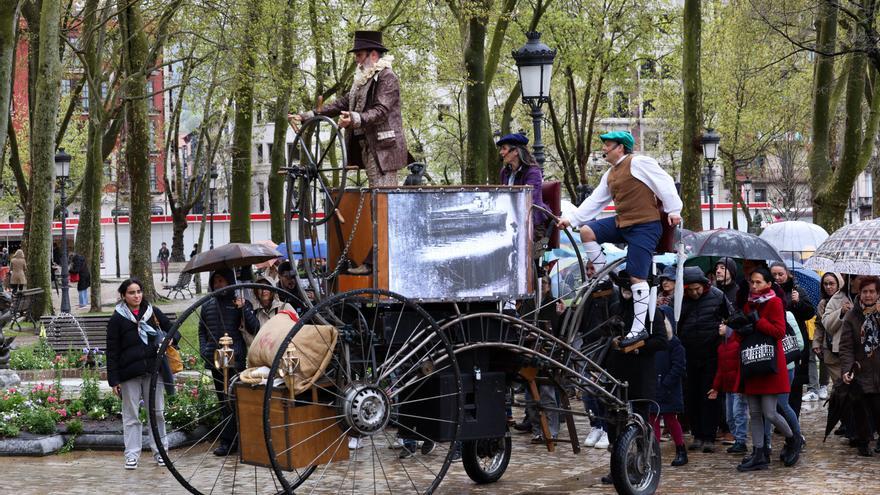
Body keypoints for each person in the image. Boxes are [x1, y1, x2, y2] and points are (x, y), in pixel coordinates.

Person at [291, 31, 409, 275]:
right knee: (377, 203)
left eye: (359, 54)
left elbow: (381, 111)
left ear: (373, 55)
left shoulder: (387, 77)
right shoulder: (363, 80)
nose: (356, 59)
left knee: (382, 205)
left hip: (384, 151)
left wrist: (354, 119)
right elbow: (342, 103)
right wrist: (309, 115)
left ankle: (377, 262)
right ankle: (375, 260)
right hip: (368, 149)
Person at [557, 130, 682, 347]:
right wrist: (572, 219)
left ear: (620, 147)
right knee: (587, 232)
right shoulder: (610, 174)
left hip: (645, 226)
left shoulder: (639, 162)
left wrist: (673, 210)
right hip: (622, 224)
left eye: (607, 145)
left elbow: (665, 182)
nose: (603, 149)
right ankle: (604, 278)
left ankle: (639, 329)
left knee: (636, 277)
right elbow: (596, 200)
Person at [728, 267, 802, 471]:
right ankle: (759, 453)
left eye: (758, 282)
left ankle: (793, 439)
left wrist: (757, 321)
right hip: (752, 362)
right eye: (752, 282)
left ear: (769, 284)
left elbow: (779, 332)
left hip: (769, 363)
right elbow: (741, 337)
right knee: (754, 412)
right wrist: (739, 327)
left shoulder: (775, 302)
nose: (754, 286)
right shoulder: (749, 304)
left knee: (770, 412)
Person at [600, 270, 668, 485]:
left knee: (641, 419)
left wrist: (638, 348)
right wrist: (613, 342)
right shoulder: (616, 308)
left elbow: (661, 341)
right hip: (617, 371)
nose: (626, 291)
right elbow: (606, 336)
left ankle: (641, 463)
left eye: (629, 287)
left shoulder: (651, 312)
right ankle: (617, 467)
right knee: (614, 420)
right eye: (623, 287)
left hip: (640, 372)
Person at [106, 278, 173, 469]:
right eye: (131, 293)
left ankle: (161, 452)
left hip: (153, 371)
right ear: (123, 296)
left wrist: (170, 339)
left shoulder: (153, 312)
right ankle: (132, 455)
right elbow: (112, 351)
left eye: (139, 291)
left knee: (157, 413)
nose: (136, 296)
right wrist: (114, 380)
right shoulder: (117, 319)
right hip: (129, 374)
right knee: (131, 415)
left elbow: (173, 329)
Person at [199, 268, 260, 456]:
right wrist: (204, 349)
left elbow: (254, 327)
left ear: (229, 281)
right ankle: (228, 441)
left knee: (235, 400)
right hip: (215, 359)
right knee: (223, 400)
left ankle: (238, 440)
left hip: (235, 359)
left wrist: (243, 309)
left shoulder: (240, 302)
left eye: (222, 280)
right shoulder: (207, 305)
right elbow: (202, 330)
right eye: (216, 281)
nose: (219, 284)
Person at [677, 267, 731, 453]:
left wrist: (725, 328)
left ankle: (709, 436)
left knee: (710, 395)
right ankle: (697, 434)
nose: (694, 293)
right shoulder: (680, 298)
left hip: (711, 353)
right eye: (690, 290)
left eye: (697, 289)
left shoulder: (717, 296)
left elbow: (731, 317)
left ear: (703, 285)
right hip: (689, 353)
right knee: (691, 395)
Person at [839, 275, 880, 457]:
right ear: (859, 293)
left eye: (872, 291)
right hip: (860, 370)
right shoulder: (852, 316)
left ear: (878, 294)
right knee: (861, 410)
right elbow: (846, 347)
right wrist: (847, 370)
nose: (868, 295)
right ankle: (863, 441)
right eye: (865, 291)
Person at [769, 262, 817, 411]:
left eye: (780, 274)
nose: (777, 277)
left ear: (787, 274)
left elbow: (810, 312)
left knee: (795, 384)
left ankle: (793, 416)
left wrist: (798, 302)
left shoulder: (797, 290)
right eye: (774, 275)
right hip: (775, 340)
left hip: (795, 341)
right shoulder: (768, 292)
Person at [496, 133, 551, 235]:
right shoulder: (504, 172)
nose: (501, 152)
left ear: (516, 151)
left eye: (504, 148)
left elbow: (529, 200)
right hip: (510, 222)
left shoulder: (533, 172)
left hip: (532, 225)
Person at [651, 319, 688, 466]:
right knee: (652, 419)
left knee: (670, 419)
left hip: (668, 389)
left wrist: (666, 383)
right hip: (654, 387)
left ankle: (681, 450)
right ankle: (654, 453)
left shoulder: (675, 345)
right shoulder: (653, 344)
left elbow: (679, 367)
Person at [708, 318, 748, 454]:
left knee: (738, 414)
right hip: (727, 388)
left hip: (737, 388)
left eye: (723, 324)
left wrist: (741, 385)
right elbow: (720, 369)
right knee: (729, 417)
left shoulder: (738, 344)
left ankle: (741, 441)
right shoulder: (721, 347)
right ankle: (738, 440)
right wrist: (716, 387)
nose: (720, 326)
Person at [815, 272, 848, 384]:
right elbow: (820, 325)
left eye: (831, 283)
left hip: (845, 345)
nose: (828, 287)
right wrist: (816, 342)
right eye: (825, 284)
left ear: (839, 284)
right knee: (839, 383)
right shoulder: (823, 303)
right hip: (829, 347)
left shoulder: (846, 299)